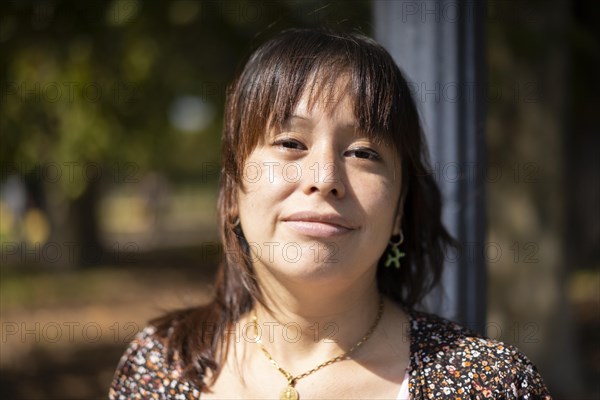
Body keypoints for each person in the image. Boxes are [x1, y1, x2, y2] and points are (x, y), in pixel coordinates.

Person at [109, 28, 551, 399]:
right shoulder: (161, 369)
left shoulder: (488, 385)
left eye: (362, 152)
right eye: (290, 143)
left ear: (400, 212)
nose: (325, 177)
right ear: (231, 196)